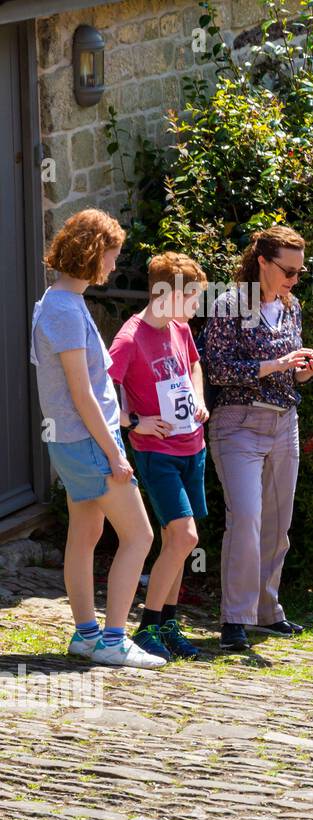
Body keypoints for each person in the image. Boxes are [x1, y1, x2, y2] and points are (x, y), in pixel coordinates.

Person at [30, 209, 164, 669]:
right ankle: (111, 639)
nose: (113, 265)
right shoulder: (65, 310)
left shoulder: (56, 301)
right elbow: (81, 394)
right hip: (89, 442)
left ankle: (86, 635)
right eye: (112, 255)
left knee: (86, 533)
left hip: (72, 441)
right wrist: (114, 453)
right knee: (140, 536)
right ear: (92, 252)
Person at [201, 225, 313, 652]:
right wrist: (275, 364)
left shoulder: (292, 308)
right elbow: (217, 369)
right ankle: (234, 619)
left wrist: (302, 372)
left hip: (283, 422)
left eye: (300, 271)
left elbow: (287, 371)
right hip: (238, 423)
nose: (295, 279)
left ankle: (265, 611)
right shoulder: (229, 305)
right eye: (288, 270)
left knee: (278, 524)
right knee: (246, 519)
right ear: (262, 262)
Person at [108, 252, 212, 661]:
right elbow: (103, 387)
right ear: (167, 294)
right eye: (192, 298)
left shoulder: (179, 328)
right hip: (157, 452)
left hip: (193, 446)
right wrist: (133, 421)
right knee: (186, 537)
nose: (195, 307)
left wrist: (199, 398)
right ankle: (149, 625)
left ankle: (168, 623)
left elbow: (194, 365)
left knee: (178, 542)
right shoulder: (130, 337)